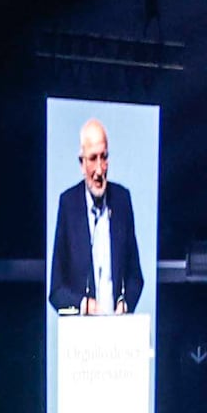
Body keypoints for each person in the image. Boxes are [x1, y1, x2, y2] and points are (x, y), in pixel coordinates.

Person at [47, 118, 144, 319]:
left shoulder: (122, 200)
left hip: (117, 335)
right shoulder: (68, 204)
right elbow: (56, 292)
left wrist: (125, 305)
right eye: (93, 159)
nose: (100, 170)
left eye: (104, 157)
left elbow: (136, 277)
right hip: (81, 339)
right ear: (82, 163)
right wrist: (84, 306)